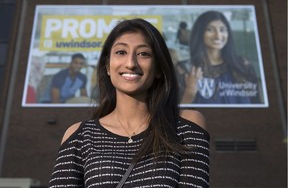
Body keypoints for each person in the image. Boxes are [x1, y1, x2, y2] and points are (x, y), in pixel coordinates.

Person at [48, 18, 210, 187]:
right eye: (120, 52)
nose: (131, 63)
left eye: (143, 54)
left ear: (159, 70)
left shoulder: (187, 125)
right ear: (108, 67)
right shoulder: (79, 135)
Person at [176, 10, 260, 104]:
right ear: (200, 33)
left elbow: (257, 104)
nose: (218, 36)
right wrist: (190, 91)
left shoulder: (243, 65)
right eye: (210, 30)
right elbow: (177, 112)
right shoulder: (185, 69)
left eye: (222, 30)